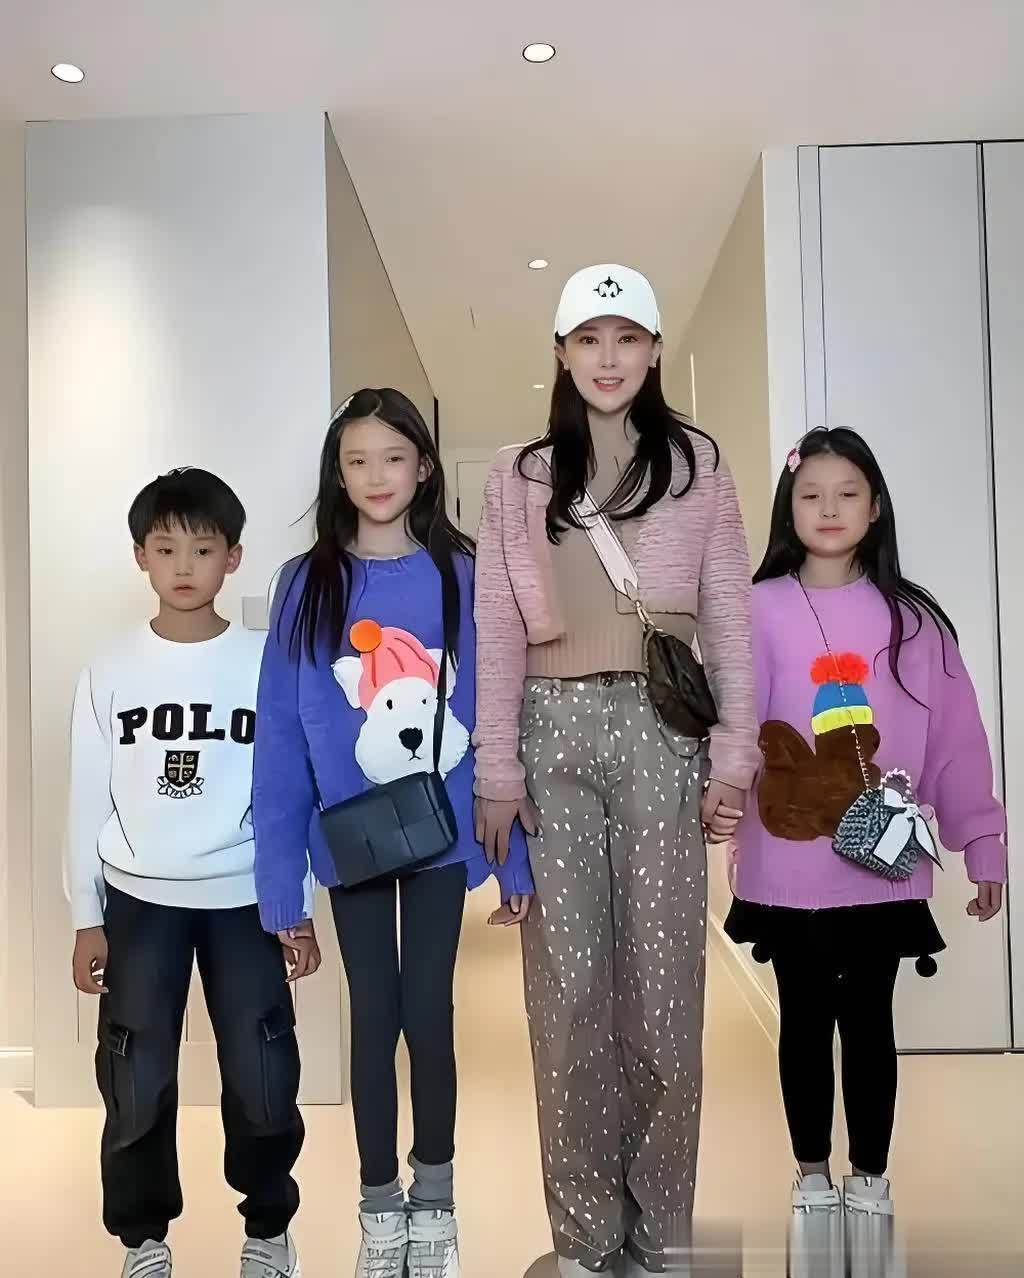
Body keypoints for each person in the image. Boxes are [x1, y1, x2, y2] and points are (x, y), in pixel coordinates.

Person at [473, 264, 760, 1275]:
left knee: (665, 994)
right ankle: (587, 1240)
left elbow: (727, 610)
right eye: (588, 339)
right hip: (547, 731)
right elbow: (496, 623)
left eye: (627, 338)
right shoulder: (515, 474)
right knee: (567, 997)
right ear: (561, 354)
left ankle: (662, 1235)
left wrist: (735, 753)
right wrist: (495, 766)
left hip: (660, 730)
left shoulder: (698, 463)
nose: (608, 358)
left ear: (653, 350)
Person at [252, 388, 533, 1278]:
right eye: (357, 460)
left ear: (425, 467)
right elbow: (281, 735)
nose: (377, 476)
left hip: (444, 830)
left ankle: (435, 1201)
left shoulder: (465, 572)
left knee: (429, 1013)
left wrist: (515, 859)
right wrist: (281, 890)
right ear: (338, 474)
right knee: (372, 1016)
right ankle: (380, 1209)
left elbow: (498, 712)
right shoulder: (306, 582)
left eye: (394, 457)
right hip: (352, 840)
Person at [724, 427, 1006, 1217]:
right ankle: (812, 1177)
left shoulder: (914, 621)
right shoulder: (756, 608)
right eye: (811, 495)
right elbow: (736, 727)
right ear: (788, 508)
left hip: (884, 862)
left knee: (871, 1021)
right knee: (804, 1020)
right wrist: (722, 805)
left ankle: (871, 1178)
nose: (829, 509)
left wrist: (982, 841)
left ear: (875, 507)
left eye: (848, 493)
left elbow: (956, 741)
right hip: (787, 862)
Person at [67, 468, 306, 1278]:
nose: (183, 566)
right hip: (139, 903)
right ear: (140, 555)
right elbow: (85, 798)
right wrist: (86, 915)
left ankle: (268, 1229)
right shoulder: (109, 669)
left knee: (263, 1073)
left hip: (245, 901)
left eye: (202, 549)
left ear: (233, 557)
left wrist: (295, 903)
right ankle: (143, 1241)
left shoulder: (266, 662)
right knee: (135, 1077)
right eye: (165, 548)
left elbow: (289, 793)